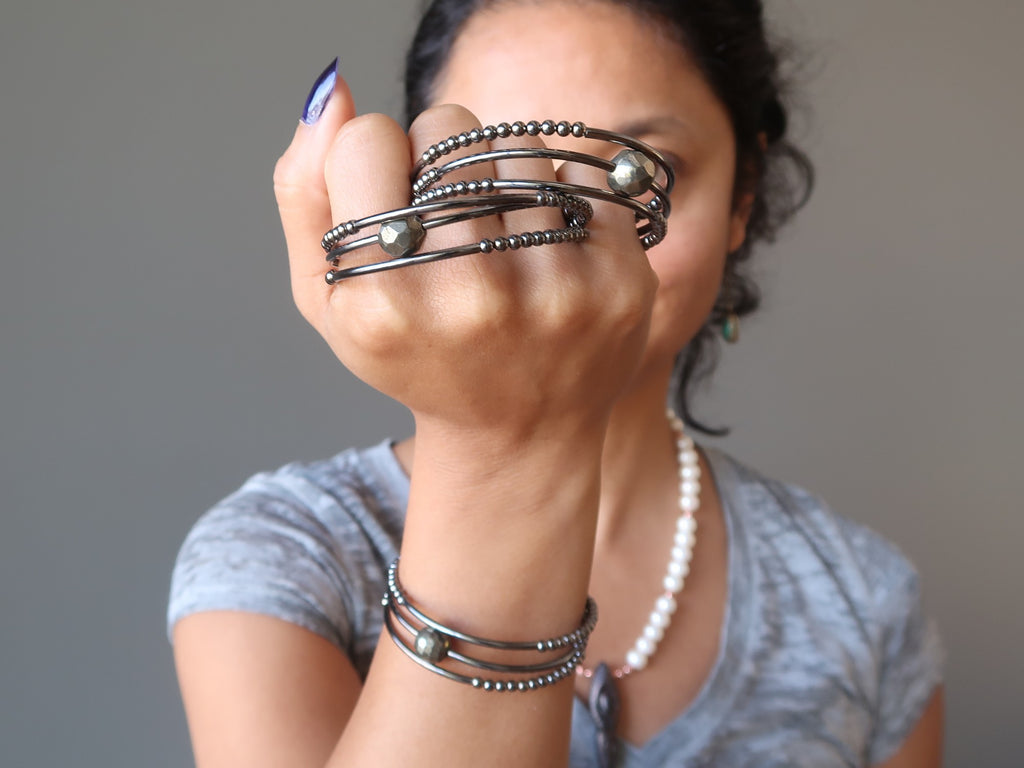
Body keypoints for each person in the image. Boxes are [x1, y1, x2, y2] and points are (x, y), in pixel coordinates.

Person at [167, 1, 945, 766]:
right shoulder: (285, 557)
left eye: (638, 171)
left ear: (741, 198)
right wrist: (503, 442)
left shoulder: (866, 603)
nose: (569, 230)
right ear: (409, 195)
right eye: (494, 168)